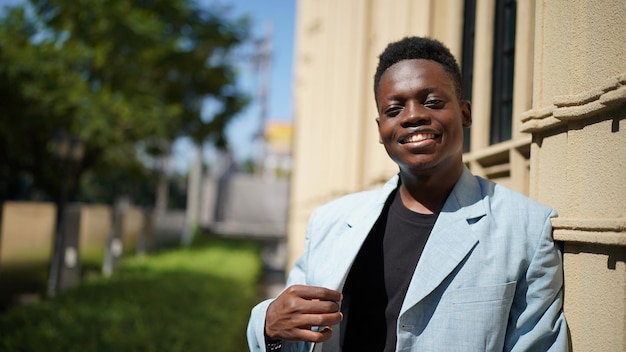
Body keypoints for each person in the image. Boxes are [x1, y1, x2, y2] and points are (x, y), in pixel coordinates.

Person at [247, 36, 569, 351]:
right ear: (380, 130)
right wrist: (267, 326)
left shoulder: (527, 229)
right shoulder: (329, 223)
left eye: (432, 102)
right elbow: (295, 336)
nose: (413, 115)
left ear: (465, 114)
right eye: (394, 109)